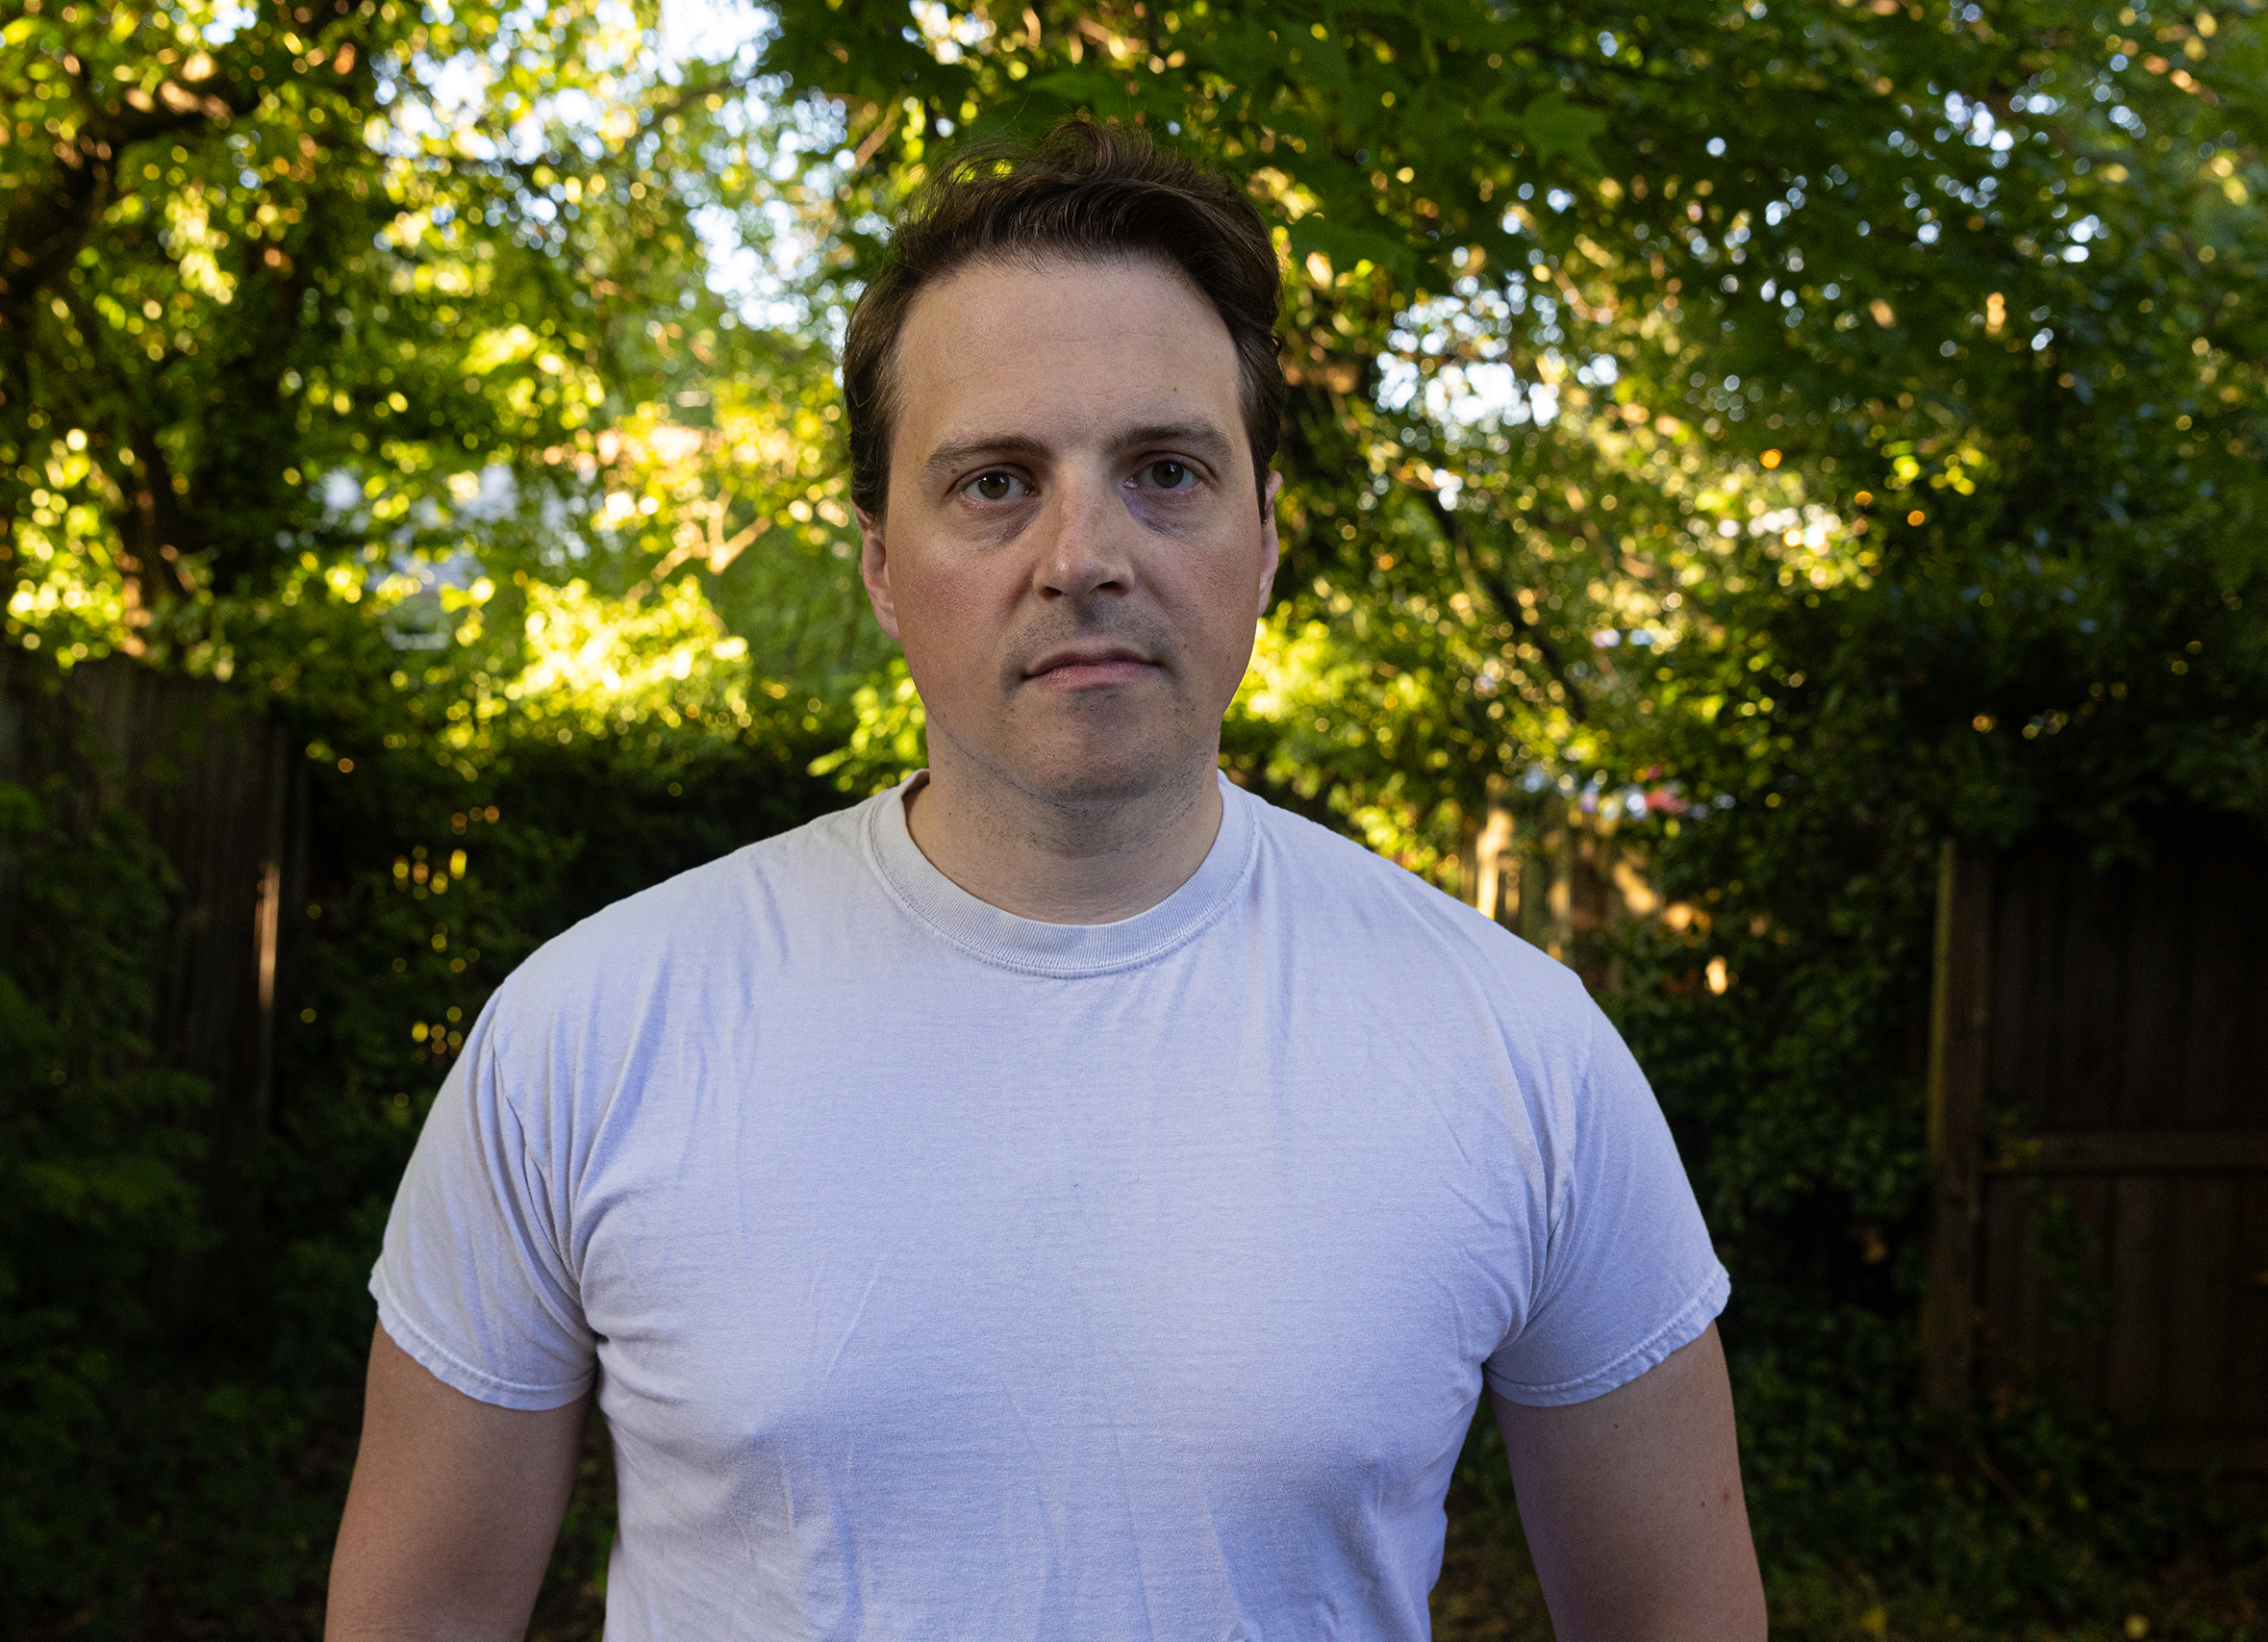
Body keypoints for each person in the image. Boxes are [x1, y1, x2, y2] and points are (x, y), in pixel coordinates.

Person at [326, 118, 1765, 1642]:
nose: (1085, 553)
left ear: (1265, 540)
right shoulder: (591, 1032)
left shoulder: (1519, 1052)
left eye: (1164, 470)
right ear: (881, 561)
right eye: (997, 481)